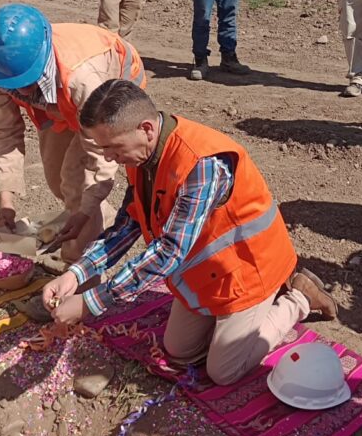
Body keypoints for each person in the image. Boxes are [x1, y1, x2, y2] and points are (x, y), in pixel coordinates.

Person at [42, 79, 338, 385]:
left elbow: (169, 251)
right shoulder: (141, 154)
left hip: (251, 270)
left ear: (145, 129)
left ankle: (297, 297)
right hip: (209, 272)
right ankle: (232, 323)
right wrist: (76, 274)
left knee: (223, 372)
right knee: (179, 352)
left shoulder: (201, 164)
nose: (107, 157)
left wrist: (92, 302)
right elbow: (129, 224)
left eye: (112, 148)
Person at [0, 3, 146, 263]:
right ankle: (101, 221)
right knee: (56, 178)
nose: (23, 92)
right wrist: (6, 201)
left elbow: (100, 156)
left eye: (28, 81)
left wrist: (84, 210)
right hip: (57, 104)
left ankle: (78, 267)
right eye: (16, 85)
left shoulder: (84, 78)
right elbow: (4, 133)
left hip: (108, 93)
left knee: (77, 182)